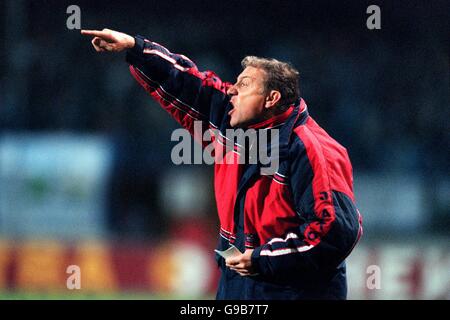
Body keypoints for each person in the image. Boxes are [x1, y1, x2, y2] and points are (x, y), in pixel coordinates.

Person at [81, 28, 363, 300]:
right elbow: (189, 83)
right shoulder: (233, 121)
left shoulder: (315, 150)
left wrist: (262, 259)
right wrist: (135, 47)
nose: (232, 92)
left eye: (244, 85)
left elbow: (335, 232)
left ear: (271, 98)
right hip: (238, 285)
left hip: (295, 291)